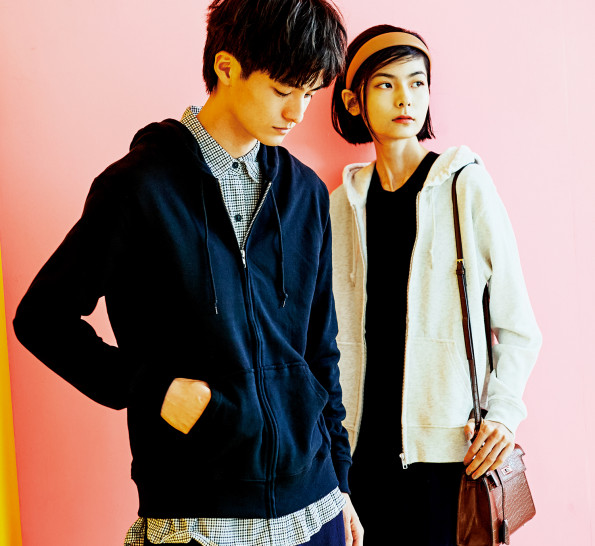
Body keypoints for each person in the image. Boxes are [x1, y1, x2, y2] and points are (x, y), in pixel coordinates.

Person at [13, 1, 364, 544]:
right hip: (200, 514)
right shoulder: (138, 188)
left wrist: (341, 485)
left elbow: (321, 350)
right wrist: (151, 388)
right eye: (282, 90)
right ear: (226, 67)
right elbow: (41, 318)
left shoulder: (306, 194)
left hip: (314, 507)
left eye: (310, 93)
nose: (297, 112)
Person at [329, 24, 541, 545]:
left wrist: (503, 414)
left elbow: (518, 326)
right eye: (386, 84)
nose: (406, 98)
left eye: (417, 82)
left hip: (449, 456)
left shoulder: (465, 187)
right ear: (354, 102)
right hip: (356, 457)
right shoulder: (340, 205)